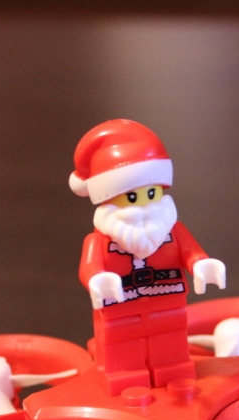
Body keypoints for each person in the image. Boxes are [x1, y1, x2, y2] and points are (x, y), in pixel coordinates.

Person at [69, 119, 226, 394]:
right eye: (132, 198)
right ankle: (125, 376)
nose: (144, 206)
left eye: (152, 193)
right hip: (121, 304)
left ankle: (173, 369)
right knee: (121, 338)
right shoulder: (99, 240)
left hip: (168, 297)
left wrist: (202, 264)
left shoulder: (172, 230)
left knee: (170, 333)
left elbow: (190, 252)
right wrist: (97, 279)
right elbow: (89, 266)